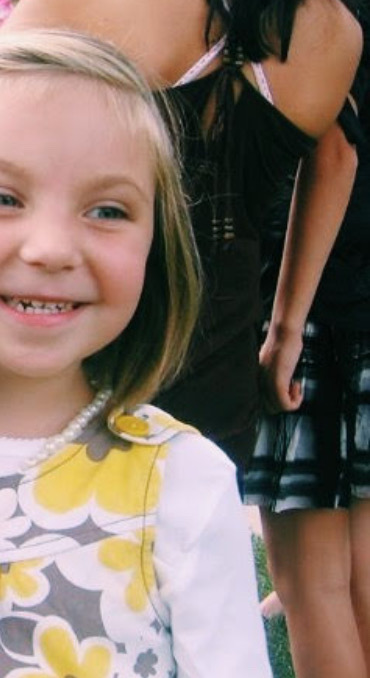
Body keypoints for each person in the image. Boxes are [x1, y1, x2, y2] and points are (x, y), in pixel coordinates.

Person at [0, 30, 272, 675]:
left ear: (157, 239)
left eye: (108, 210)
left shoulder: (183, 484)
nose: (53, 248)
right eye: (2, 198)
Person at [0, 0, 360, 481]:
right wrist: (284, 331)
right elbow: (337, 154)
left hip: (77, 356)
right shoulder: (338, 34)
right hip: (221, 377)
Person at [244, 26, 370, 674]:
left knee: (311, 583)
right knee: (357, 572)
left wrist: (284, 328)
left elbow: (334, 150)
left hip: (310, 300)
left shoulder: (304, 15)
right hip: (355, 294)